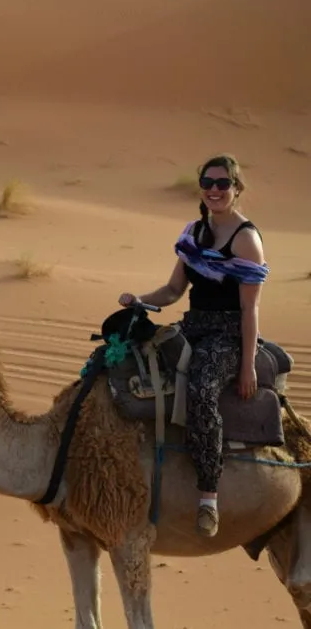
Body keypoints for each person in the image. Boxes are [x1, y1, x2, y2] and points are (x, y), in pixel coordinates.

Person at [117, 153, 268, 538]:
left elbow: (250, 309)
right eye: (208, 182)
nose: (214, 190)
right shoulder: (194, 233)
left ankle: (208, 495)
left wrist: (247, 365)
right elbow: (172, 290)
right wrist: (139, 302)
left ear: (237, 189)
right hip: (192, 326)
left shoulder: (246, 240)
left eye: (223, 184)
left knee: (201, 389)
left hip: (229, 335)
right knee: (132, 358)